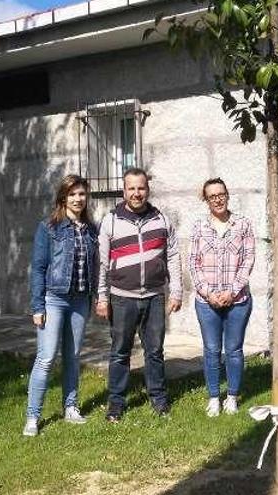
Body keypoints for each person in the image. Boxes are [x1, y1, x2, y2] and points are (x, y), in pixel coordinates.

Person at [95, 167, 182, 422]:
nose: (137, 193)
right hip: (121, 298)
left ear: (148, 189)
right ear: (124, 191)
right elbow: (101, 263)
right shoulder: (111, 221)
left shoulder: (161, 219)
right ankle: (116, 405)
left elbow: (174, 256)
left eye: (141, 188)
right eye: (131, 188)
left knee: (154, 351)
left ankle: (159, 400)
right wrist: (102, 297)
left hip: (155, 297)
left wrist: (175, 291)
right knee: (120, 352)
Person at [24, 174, 98, 436]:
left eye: (82, 194)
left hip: (80, 301)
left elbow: (95, 265)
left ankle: (70, 407)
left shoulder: (91, 229)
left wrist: (95, 296)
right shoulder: (49, 228)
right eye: (73, 194)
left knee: (73, 357)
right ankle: (33, 416)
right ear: (63, 197)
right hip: (53, 299)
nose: (78, 199)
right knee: (45, 358)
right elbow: (39, 269)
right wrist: (37, 307)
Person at [187, 178, 255, 417]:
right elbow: (193, 264)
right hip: (207, 302)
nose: (218, 199)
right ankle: (214, 397)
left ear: (227, 195)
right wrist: (209, 293)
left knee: (234, 349)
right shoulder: (199, 227)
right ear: (206, 200)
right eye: (212, 196)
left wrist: (232, 292)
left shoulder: (243, 225)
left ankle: (233, 397)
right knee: (212, 350)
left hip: (237, 301)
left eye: (221, 194)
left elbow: (248, 261)